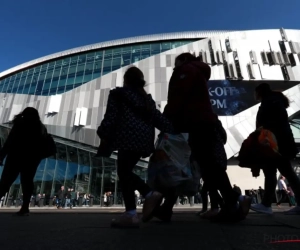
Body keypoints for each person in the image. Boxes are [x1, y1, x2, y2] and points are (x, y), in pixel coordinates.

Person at [150, 53, 251, 223]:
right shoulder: (199, 73)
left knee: (190, 164)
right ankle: (167, 208)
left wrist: (167, 118)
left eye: (176, 63)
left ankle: (236, 200)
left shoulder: (186, 70)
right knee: (195, 165)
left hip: (192, 123)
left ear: (183, 60)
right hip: (200, 123)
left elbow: (178, 96)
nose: (174, 67)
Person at [97, 66, 173, 228]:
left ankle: (142, 201)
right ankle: (137, 210)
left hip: (126, 138)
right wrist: (175, 130)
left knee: (124, 172)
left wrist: (102, 132)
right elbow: (160, 120)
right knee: (126, 173)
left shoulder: (118, 94)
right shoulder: (146, 100)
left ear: (126, 80)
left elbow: (111, 117)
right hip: (143, 141)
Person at [250, 83, 300, 215]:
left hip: (275, 145)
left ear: (259, 91)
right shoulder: (275, 101)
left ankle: (266, 204)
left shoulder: (269, 103)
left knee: (272, 172)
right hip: (281, 143)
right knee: (286, 172)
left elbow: (267, 125)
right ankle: (266, 204)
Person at [0, 107, 46, 216]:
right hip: (31, 159)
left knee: (6, 181)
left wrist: (2, 155)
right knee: (27, 182)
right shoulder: (41, 127)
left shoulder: (20, 123)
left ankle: (25, 207)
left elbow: (9, 141)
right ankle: (25, 207)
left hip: (15, 157)